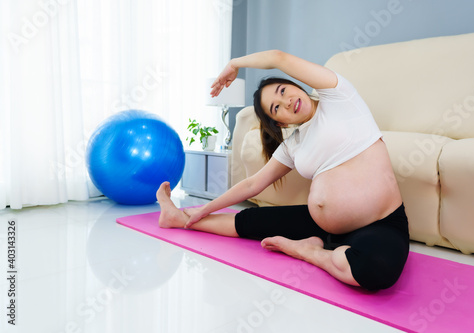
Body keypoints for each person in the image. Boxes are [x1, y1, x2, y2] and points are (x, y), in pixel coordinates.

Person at [156, 50, 409, 291]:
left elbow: (279, 57)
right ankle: (178, 217)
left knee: (374, 269)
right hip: (321, 224)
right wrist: (204, 208)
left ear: (296, 85)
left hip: (380, 222)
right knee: (249, 221)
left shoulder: (339, 97)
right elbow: (252, 185)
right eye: (276, 108)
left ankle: (310, 251)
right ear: (280, 123)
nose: (286, 102)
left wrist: (235, 63)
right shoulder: (293, 144)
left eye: (283, 90)